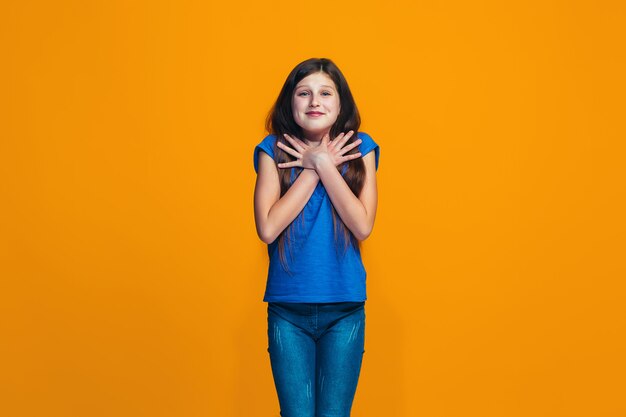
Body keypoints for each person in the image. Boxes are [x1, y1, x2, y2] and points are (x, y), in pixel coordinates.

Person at [253, 57, 380, 417]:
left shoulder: (362, 149)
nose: (314, 102)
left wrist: (325, 163)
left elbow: (362, 225)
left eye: (326, 93)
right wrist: (311, 166)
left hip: (345, 308)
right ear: (289, 103)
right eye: (304, 93)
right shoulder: (272, 150)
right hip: (288, 311)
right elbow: (268, 228)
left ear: (340, 104)